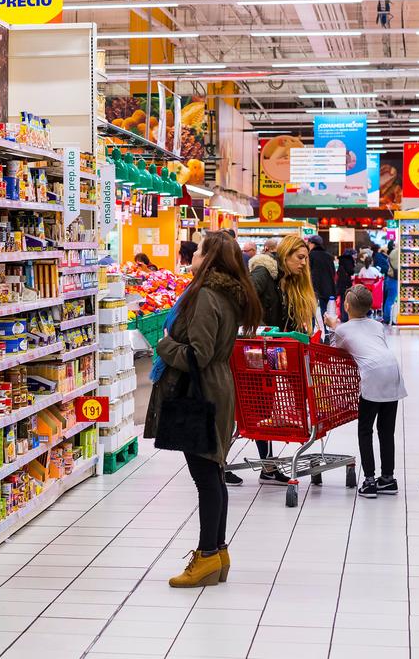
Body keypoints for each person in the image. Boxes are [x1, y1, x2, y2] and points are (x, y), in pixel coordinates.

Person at [143, 232, 262, 588]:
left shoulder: (207, 296)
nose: (192, 254)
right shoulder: (225, 293)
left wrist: (164, 345)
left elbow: (198, 354)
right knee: (214, 471)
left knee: (207, 477)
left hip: (201, 391)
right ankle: (217, 552)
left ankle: (207, 556)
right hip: (216, 386)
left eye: (197, 251)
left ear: (209, 259)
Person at [248, 234, 324, 485]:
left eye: (306, 258)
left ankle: (267, 467)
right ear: (286, 254)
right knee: (256, 405)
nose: (303, 263)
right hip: (256, 349)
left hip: (271, 349)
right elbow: (245, 299)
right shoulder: (263, 273)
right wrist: (258, 329)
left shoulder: (288, 280)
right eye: (299, 257)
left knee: (263, 405)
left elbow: (283, 315)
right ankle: (261, 466)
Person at [325, 285, 407, 498]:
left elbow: (335, 350)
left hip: (372, 376)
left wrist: (333, 326)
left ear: (346, 305)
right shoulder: (377, 325)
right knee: (386, 431)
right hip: (392, 372)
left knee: (365, 430)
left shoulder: (343, 329)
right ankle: (388, 479)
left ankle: (369, 480)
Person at [308, 235, 336, 317]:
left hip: (313, 288)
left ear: (313, 244)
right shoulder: (328, 256)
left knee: (312, 314)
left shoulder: (310, 256)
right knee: (326, 313)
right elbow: (333, 272)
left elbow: (307, 272)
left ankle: (310, 330)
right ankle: (327, 330)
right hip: (327, 288)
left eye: (309, 243)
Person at [335, 248, 356, 321]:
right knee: (347, 300)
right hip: (346, 282)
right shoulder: (349, 260)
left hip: (340, 282)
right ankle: (346, 317)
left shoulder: (341, 260)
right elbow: (351, 271)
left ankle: (343, 317)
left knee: (342, 300)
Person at [383, 240, 400, 324]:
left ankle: (387, 317)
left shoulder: (392, 252)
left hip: (390, 278)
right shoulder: (397, 252)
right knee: (391, 299)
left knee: (389, 299)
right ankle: (390, 318)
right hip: (395, 279)